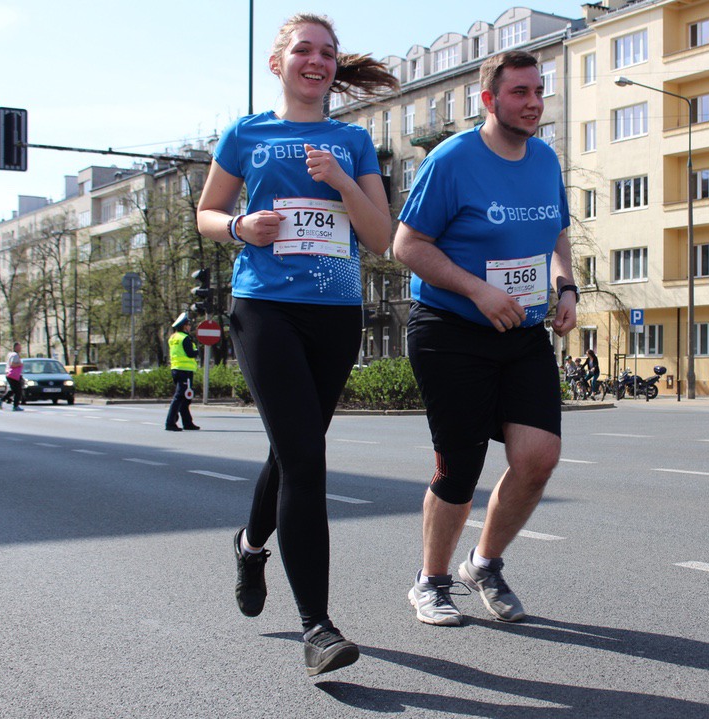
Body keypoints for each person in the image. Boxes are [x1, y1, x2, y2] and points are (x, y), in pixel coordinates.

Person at [195, 13, 398, 677]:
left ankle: (250, 545)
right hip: (265, 307)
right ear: (278, 62)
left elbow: (380, 238)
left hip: (334, 313)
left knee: (293, 451)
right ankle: (318, 627)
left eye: (327, 53)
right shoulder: (246, 133)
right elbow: (206, 213)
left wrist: (342, 181)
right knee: (306, 457)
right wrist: (239, 226)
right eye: (304, 50)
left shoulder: (353, 141)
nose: (317, 61)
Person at [393, 50, 577, 627]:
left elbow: (558, 235)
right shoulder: (451, 160)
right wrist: (478, 291)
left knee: (538, 458)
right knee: (461, 467)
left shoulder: (545, 159)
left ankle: (484, 564)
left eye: (539, 90)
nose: (534, 102)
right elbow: (407, 245)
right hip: (451, 329)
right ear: (489, 99)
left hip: (520, 331)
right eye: (520, 92)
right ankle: (431, 581)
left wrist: (566, 288)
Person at [165, 313, 201, 432]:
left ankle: (187, 422)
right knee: (180, 396)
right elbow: (190, 353)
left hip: (176, 369)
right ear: (184, 326)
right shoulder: (185, 338)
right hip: (185, 370)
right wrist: (197, 351)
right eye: (188, 324)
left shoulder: (173, 337)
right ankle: (170, 422)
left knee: (184, 398)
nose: (190, 326)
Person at [0, 342, 24, 411]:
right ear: (16, 347)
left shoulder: (10, 354)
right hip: (13, 376)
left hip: (10, 375)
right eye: (19, 347)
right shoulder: (15, 355)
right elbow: (12, 364)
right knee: (18, 391)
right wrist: (20, 364)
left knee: (13, 390)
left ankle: (1, 400)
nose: (20, 348)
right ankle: (15, 406)